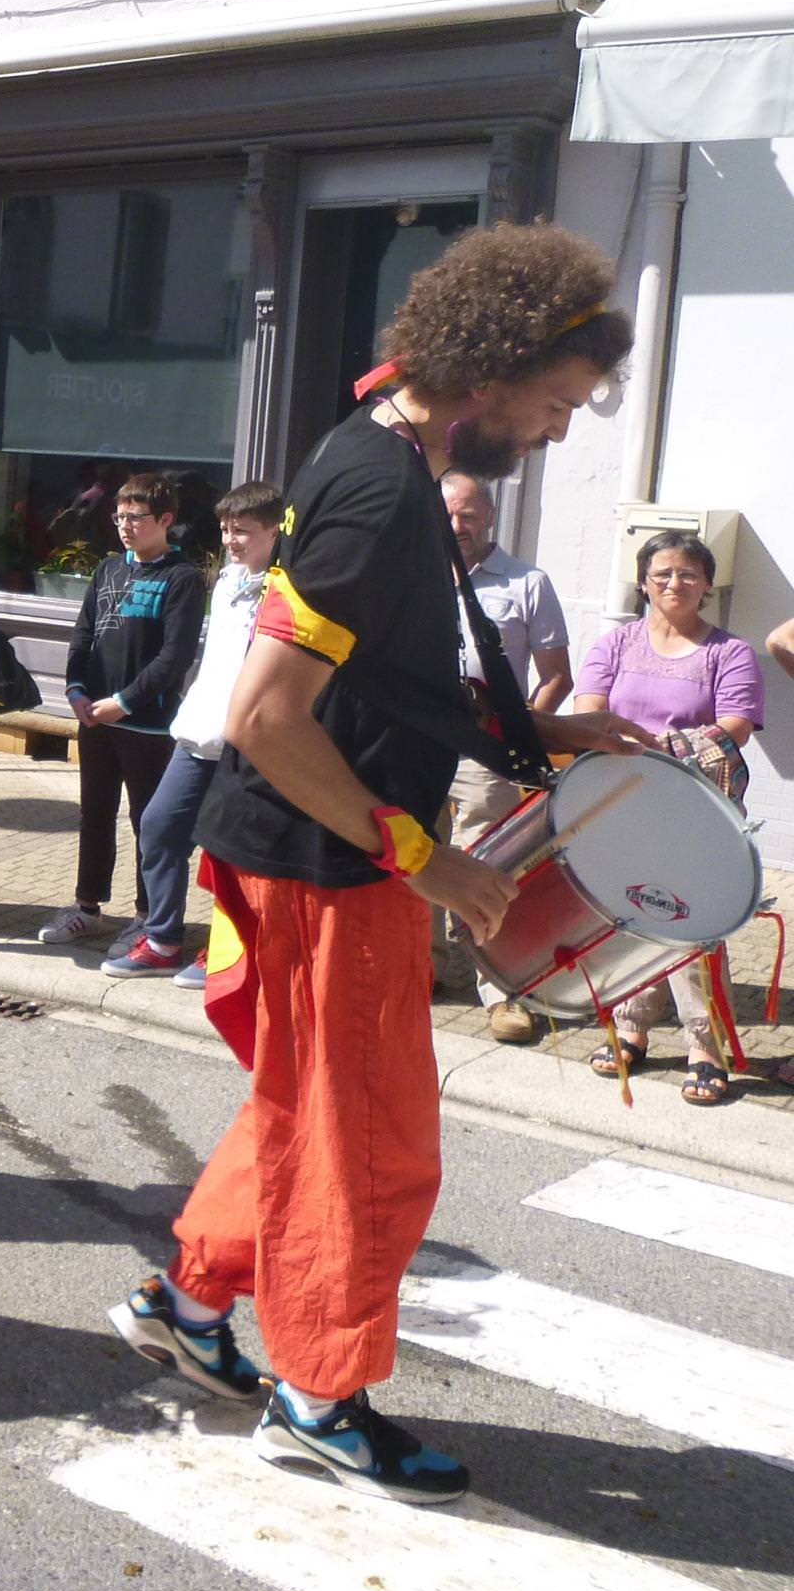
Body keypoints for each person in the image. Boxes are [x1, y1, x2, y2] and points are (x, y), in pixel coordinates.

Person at [109, 220, 644, 1505]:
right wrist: (426, 859)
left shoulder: (381, 460)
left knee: (305, 1112)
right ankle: (316, 1392)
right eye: (559, 404)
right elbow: (264, 716)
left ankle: (188, 1307)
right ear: (495, 367)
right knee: (371, 1145)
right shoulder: (373, 486)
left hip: (302, 855)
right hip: (329, 867)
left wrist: (536, 727)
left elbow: (369, 678)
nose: (561, 430)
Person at [574, 531, 788, 1103]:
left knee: (690, 922)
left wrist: (657, 746)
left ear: (707, 586)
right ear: (643, 581)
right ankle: (630, 1026)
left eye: (689, 574)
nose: (675, 583)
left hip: (697, 813)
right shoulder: (616, 645)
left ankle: (706, 1044)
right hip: (621, 804)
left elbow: (736, 724)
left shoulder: (730, 652)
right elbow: (588, 711)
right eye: (663, 572)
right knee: (628, 913)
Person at [102, 481, 284, 982]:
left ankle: (231, 951)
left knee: (231, 850)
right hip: (200, 731)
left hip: (248, 742)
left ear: (274, 530)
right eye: (226, 530)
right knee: (159, 827)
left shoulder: (286, 588)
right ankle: (163, 940)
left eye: (243, 531)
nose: (231, 541)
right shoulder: (225, 580)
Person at [38, 472, 207, 949]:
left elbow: (174, 658)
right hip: (95, 717)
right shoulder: (109, 569)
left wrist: (126, 701)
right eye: (120, 516)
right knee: (95, 811)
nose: (125, 526)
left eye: (137, 517)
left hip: (147, 723)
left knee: (146, 820)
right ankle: (88, 906)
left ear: (166, 520)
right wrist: (75, 690)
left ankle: (146, 913)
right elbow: (83, 634)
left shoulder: (182, 578)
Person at [436, 470, 574, 1042]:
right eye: (448, 514)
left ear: (490, 517)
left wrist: (516, 736)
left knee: (486, 867)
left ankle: (504, 992)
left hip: (485, 750)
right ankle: (424, 972)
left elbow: (557, 677)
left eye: (469, 514)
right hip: (417, 742)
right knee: (414, 856)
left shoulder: (527, 582)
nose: (457, 525)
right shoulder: (411, 577)